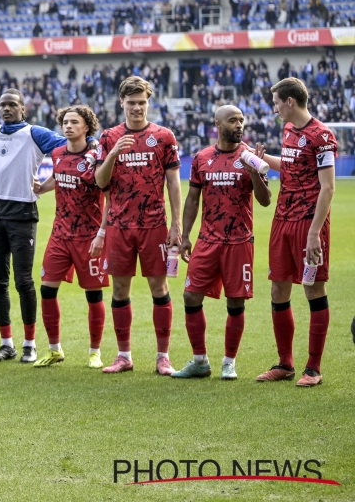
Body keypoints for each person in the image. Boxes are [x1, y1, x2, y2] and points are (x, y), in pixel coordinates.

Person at [171, 105, 271, 380]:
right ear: (217, 124)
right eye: (233, 120)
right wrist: (187, 234)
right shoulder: (202, 158)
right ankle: (200, 360)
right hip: (207, 240)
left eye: (241, 120)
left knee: (236, 302)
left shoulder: (249, 157)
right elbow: (193, 199)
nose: (239, 125)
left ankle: (229, 362)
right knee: (190, 295)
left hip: (239, 241)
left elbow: (265, 200)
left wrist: (254, 174)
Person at [94, 76, 182, 375]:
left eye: (141, 102)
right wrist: (114, 153)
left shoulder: (164, 136)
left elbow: (173, 183)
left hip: (154, 224)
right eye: (131, 103)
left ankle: (163, 356)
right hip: (119, 224)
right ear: (121, 103)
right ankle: (124, 355)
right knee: (119, 288)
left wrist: (177, 224)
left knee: (159, 287)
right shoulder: (108, 137)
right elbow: (100, 181)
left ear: (149, 101)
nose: (136, 108)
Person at [251, 78, 335, 387]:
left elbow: (328, 188)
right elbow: (287, 168)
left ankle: (313, 368)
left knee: (313, 289)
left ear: (290, 101)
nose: (274, 108)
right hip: (282, 220)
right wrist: (259, 159)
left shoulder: (321, 136)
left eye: (276, 102)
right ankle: (285, 364)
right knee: (278, 289)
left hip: (308, 224)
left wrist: (315, 234)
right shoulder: (288, 131)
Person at [0, 89, 68, 363]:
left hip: (21, 212)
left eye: (12, 105)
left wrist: (51, 182)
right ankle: (7, 343)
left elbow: (70, 146)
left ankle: (29, 344)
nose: (6, 109)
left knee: (24, 281)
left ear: (23, 109)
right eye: (3, 104)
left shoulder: (35, 133)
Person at [33, 106, 110, 368]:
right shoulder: (56, 153)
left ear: (86, 126)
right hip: (59, 234)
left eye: (74, 122)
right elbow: (58, 177)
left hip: (88, 237)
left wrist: (102, 232)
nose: (67, 126)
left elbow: (109, 196)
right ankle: (55, 349)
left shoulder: (96, 156)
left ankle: (94, 351)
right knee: (46, 289)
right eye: (65, 122)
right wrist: (40, 189)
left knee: (93, 295)